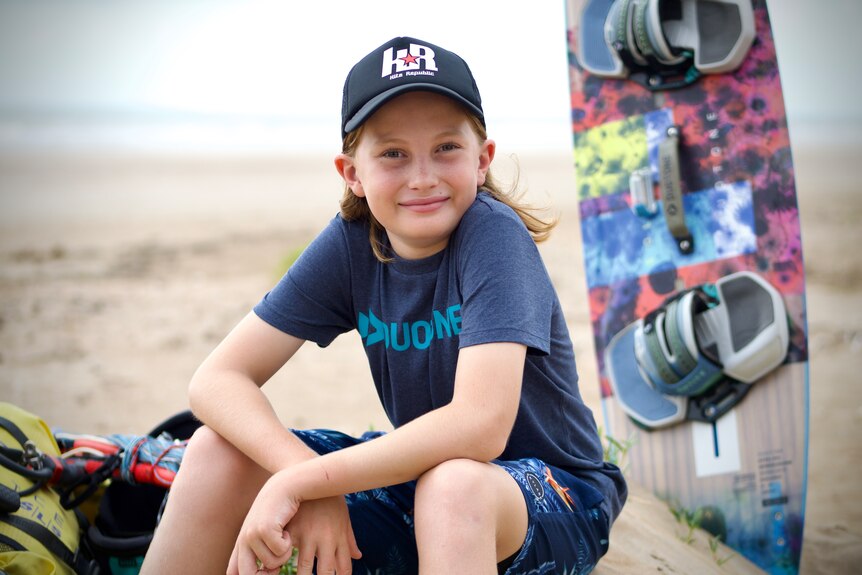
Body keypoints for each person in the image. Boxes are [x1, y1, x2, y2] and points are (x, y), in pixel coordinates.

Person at [141, 36, 627, 575]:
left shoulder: (493, 235)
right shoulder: (354, 241)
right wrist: (300, 473)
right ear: (352, 172)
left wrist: (305, 481)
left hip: (552, 494)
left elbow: (480, 425)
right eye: (393, 153)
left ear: (482, 159)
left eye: (446, 147)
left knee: (454, 485)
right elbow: (216, 380)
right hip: (425, 486)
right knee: (215, 451)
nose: (422, 176)